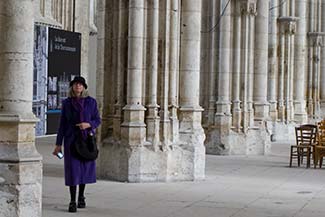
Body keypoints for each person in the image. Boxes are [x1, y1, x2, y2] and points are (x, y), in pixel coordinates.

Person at [53, 76, 101, 213]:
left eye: (80, 85)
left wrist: (88, 124)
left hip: (86, 140)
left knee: (84, 169)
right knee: (73, 170)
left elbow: (97, 120)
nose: (78, 87)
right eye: (75, 84)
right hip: (71, 140)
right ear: (72, 87)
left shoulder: (91, 102)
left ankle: (81, 196)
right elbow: (62, 124)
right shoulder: (67, 103)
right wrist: (58, 144)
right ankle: (72, 200)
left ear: (84, 87)